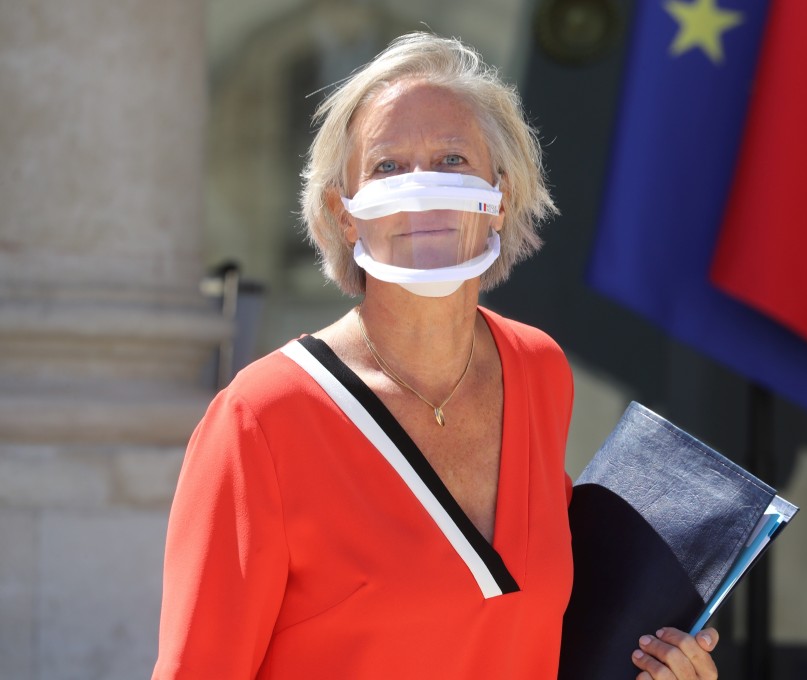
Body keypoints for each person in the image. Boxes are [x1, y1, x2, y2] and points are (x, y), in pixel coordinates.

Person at [152, 32, 719, 680]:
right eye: (389, 166)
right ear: (344, 212)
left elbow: (536, 635)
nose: (423, 190)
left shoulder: (538, 371)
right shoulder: (261, 419)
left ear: (500, 197)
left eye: (452, 158)